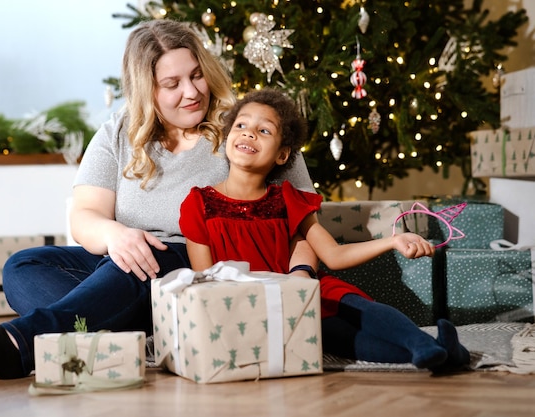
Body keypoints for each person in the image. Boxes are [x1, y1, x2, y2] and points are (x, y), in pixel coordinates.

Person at [0, 20, 317, 380]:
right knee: (23, 266)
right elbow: (85, 216)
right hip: (125, 261)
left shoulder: (247, 126)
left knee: (141, 264)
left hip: (193, 267)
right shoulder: (120, 131)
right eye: (173, 83)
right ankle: (135, 330)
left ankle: (18, 346)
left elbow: (304, 220)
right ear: (147, 88)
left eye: (196, 75)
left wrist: (301, 277)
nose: (192, 91)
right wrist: (116, 236)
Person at [179, 88, 471, 373]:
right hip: (255, 308)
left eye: (264, 130)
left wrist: (394, 241)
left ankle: (423, 343)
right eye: (241, 125)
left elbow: (334, 256)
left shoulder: (288, 198)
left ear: (282, 155)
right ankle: (441, 352)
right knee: (335, 339)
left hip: (303, 293)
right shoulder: (199, 203)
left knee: (355, 307)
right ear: (228, 136)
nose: (249, 133)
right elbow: (207, 283)